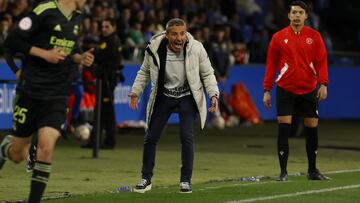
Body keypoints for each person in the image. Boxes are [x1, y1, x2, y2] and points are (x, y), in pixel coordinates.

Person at [0, 1, 94, 203]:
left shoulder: (77, 18)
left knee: (46, 147)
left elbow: (69, 50)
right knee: (17, 155)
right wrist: (44, 54)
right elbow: (12, 41)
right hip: (31, 92)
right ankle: (5, 148)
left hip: (58, 94)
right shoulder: (44, 10)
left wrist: (79, 57)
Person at [128, 18, 219, 193]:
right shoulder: (154, 48)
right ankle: (146, 179)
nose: (179, 38)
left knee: (186, 137)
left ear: (186, 33)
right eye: (175, 34)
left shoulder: (196, 48)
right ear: (167, 35)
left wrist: (213, 94)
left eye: (182, 33)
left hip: (187, 97)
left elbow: (207, 73)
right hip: (164, 96)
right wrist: (135, 92)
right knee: (151, 137)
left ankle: (185, 181)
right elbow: (144, 71)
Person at [263, 1, 330, 181]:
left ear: (306, 16)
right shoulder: (278, 37)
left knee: (312, 131)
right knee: (284, 129)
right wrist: (267, 90)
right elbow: (271, 65)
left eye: (301, 12)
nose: (297, 15)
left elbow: (321, 62)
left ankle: (312, 170)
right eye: (294, 12)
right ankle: (283, 172)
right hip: (286, 89)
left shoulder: (315, 37)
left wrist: (323, 84)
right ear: (289, 15)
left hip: (309, 89)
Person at [82, 18, 123, 149]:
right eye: (103, 27)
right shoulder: (104, 40)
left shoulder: (113, 40)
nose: (104, 29)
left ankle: (110, 141)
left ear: (113, 27)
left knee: (107, 111)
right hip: (102, 79)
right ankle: (95, 141)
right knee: (100, 110)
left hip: (107, 80)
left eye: (107, 26)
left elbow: (104, 56)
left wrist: (94, 52)